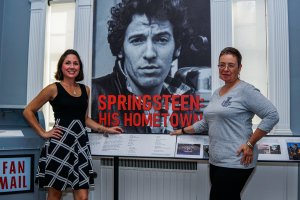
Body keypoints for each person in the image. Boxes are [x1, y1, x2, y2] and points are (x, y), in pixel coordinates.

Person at [171, 47, 279, 200]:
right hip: (216, 160)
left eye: (231, 65)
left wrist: (249, 144)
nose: (225, 69)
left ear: (239, 68)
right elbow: (205, 123)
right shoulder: (217, 93)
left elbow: (272, 115)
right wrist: (181, 131)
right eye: (222, 65)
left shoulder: (246, 91)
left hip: (236, 160)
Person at [23, 49, 123, 200]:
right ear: (61, 67)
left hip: (80, 145)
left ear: (79, 68)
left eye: (75, 63)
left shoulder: (86, 90)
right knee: (55, 194)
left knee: (83, 196)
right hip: (59, 146)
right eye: (68, 63)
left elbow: (84, 119)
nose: (72, 66)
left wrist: (105, 129)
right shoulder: (53, 88)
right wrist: (43, 133)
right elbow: (28, 111)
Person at [92, 0, 201, 134]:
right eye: (137, 40)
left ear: (177, 48)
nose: (150, 53)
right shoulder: (93, 95)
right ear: (121, 49)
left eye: (161, 39)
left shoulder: (186, 99)